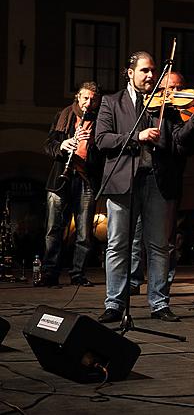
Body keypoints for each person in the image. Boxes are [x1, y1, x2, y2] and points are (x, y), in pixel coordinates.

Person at [95, 52, 194, 323]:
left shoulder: (165, 106)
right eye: (145, 71)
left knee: (159, 245)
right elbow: (101, 140)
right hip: (123, 181)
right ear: (130, 72)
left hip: (157, 181)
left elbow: (181, 142)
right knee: (117, 245)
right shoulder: (112, 103)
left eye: (153, 71)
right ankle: (115, 303)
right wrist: (136, 136)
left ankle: (159, 303)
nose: (150, 76)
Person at [130, 71, 194, 295]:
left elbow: (185, 145)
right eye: (169, 89)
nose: (174, 94)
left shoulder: (182, 114)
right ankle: (133, 281)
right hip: (140, 178)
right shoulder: (150, 107)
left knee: (165, 239)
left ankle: (162, 285)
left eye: (179, 89)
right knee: (136, 235)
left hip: (167, 180)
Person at [38, 81, 103, 287]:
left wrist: (93, 143)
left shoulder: (101, 121)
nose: (88, 103)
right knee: (53, 229)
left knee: (84, 233)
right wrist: (63, 145)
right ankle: (50, 274)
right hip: (60, 178)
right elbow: (48, 146)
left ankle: (78, 274)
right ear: (78, 97)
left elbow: (104, 155)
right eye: (85, 98)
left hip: (85, 179)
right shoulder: (63, 116)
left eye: (93, 100)